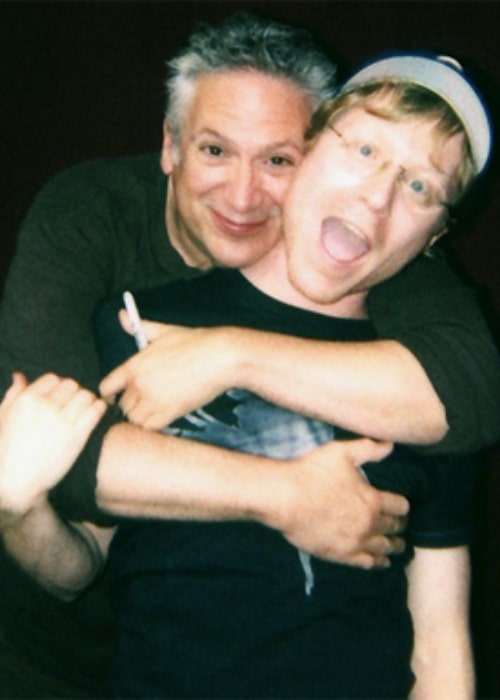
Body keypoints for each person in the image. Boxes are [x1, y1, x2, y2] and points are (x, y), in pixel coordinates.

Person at [0, 11, 497, 697]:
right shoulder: (129, 305)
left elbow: (443, 648)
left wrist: (231, 356)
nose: (379, 196)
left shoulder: (417, 372)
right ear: (169, 149)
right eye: (365, 151)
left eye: (418, 186)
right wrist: (15, 506)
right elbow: (74, 539)